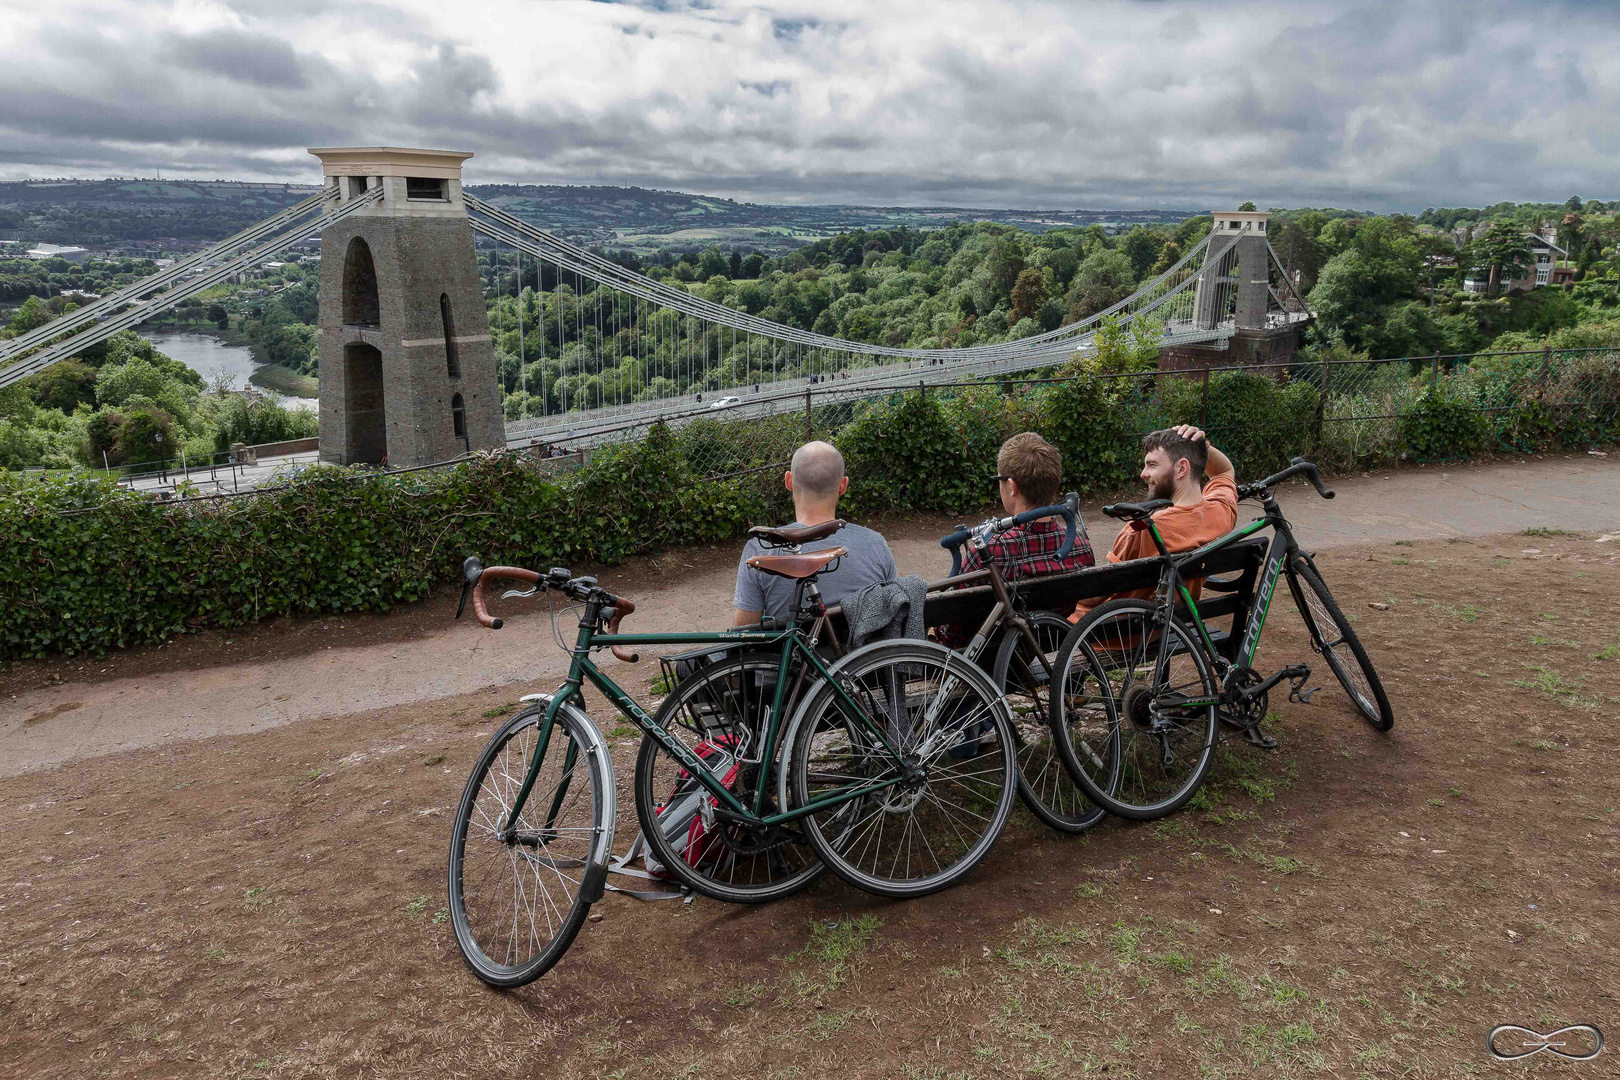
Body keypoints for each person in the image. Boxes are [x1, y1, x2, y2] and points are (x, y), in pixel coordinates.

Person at [936, 432, 1095, 648]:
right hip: (1048, 646)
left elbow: (952, 632)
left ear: (1012, 486)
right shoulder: (1080, 546)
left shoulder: (989, 551)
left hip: (988, 662)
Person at [1071, 424, 1237, 622]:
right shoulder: (1221, 511)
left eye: (1152, 465)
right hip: (1165, 625)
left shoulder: (1144, 529)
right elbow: (1223, 471)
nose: (1143, 473)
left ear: (1182, 468)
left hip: (1113, 632)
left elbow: (1096, 596)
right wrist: (1203, 446)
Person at [732, 441, 897, 626]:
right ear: (843, 485)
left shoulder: (760, 549)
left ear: (788, 481)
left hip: (789, 654)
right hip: (863, 652)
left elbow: (743, 634)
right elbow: (891, 612)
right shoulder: (875, 543)